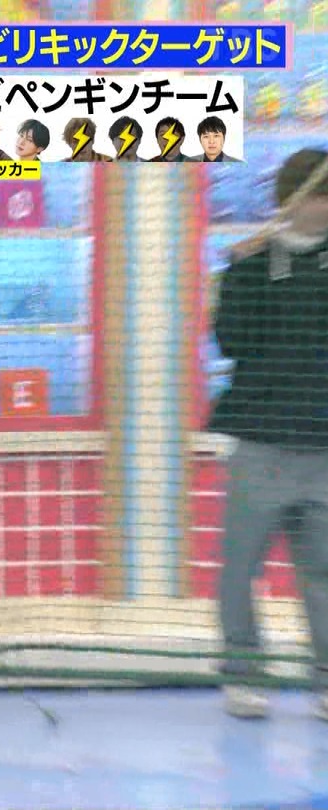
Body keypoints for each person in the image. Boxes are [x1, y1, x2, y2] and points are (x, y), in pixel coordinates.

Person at [210, 147, 328, 719]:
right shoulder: (253, 263)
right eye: (320, 195)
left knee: (323, 575)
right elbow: (232, 341)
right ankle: (243, 676)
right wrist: (236, 270)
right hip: (260, 443)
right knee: (240, 569)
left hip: (323, 447)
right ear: (292, 200)